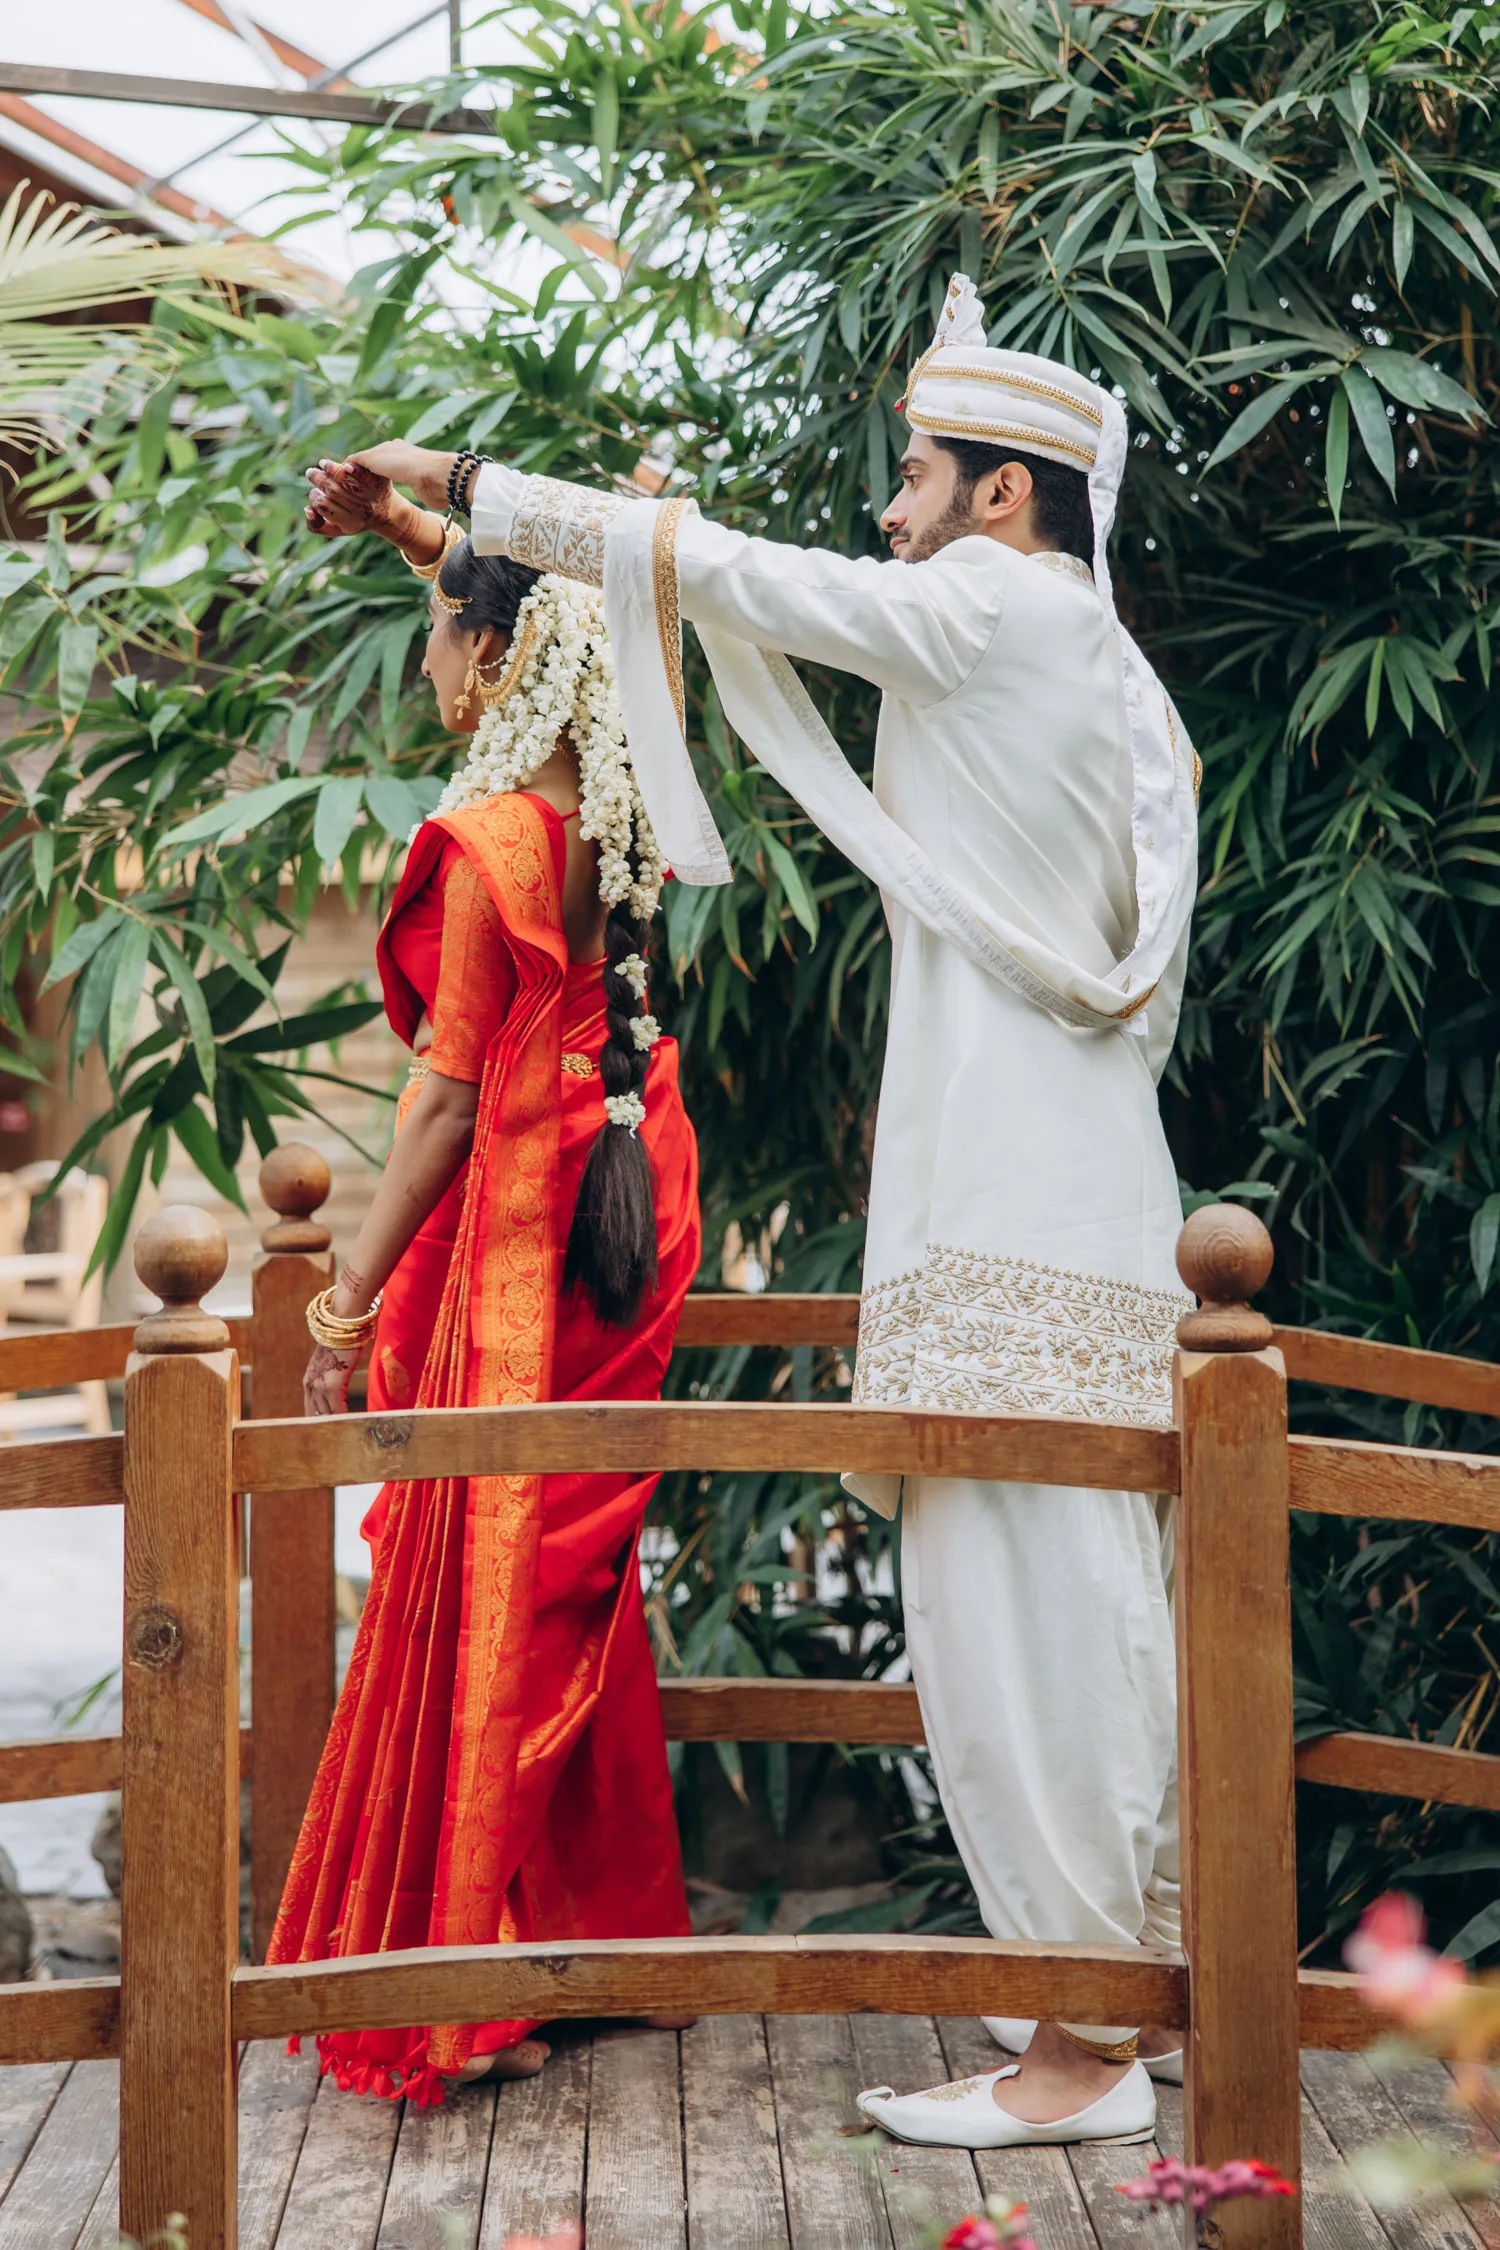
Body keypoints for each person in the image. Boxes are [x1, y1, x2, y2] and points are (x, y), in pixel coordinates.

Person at [336, 269, 1199, 2149]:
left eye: (914, 472)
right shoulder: (1095, 661)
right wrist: (455, 541)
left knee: (1016, 1604)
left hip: (1017, 1208)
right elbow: (709, 591)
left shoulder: (990, 613)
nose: (888, 505)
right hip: (1073, 1193)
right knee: (1066, 1593)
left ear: (997, 496)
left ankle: (1081, 2046)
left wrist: (477, 484)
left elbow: (726, 572)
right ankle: (1110, 2010)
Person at [267, 461, 701, 2104]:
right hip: (633, 1175)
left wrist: (343, 1301)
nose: (431, 670)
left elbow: (442, 1097)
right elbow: (563, 599)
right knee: (564, 1560)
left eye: (442, 639)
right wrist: (426, 539)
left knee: (497, 1559)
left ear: (500, 657)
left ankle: (455, 1975)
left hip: (528, 1199)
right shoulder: (624, 798)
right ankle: (590, 1929)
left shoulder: (490, 838)